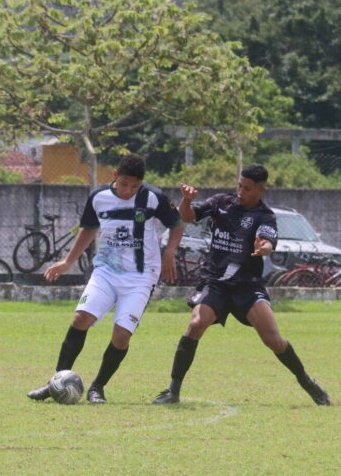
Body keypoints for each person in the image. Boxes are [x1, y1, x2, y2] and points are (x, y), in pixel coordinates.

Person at [153, 164, 330, 406]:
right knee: (196, 324)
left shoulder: (265, 216)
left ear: (260, 190)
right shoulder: (220, 202)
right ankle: (173, 391)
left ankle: (307, 382)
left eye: (247, 188)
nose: (240, 191)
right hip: (216, 283)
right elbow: (187, 216)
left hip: (247, 286)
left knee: (273, 340)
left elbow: (268, 242)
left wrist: (263, 247)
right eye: (239, 185)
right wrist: (185, 200)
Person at [27, 153, 183, 403]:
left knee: (122, 335)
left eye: (134, 186)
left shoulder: (153, 197)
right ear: (114, 177)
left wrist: (170, 253)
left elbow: (177, 223)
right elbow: (88, 229)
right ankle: (55, 382)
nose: (129, 190)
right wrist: (68, 261)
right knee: (81, 319)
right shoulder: (99, 197)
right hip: (107, 271)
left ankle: (97, 387)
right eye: (124, 184)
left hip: (141, 276)